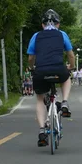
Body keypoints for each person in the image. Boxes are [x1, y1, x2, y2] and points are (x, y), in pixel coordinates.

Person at [27, 9, 76, 147]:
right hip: (58, 68)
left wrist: (32, 68)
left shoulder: (36, 36)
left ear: (42, 25)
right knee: (66, 78)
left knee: (40, 99)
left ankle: (42, 131)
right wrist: (70, 67)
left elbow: (31, 57)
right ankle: (65, 102)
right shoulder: (62, 35)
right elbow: (71, 55)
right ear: (58, 24)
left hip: (41, 71)